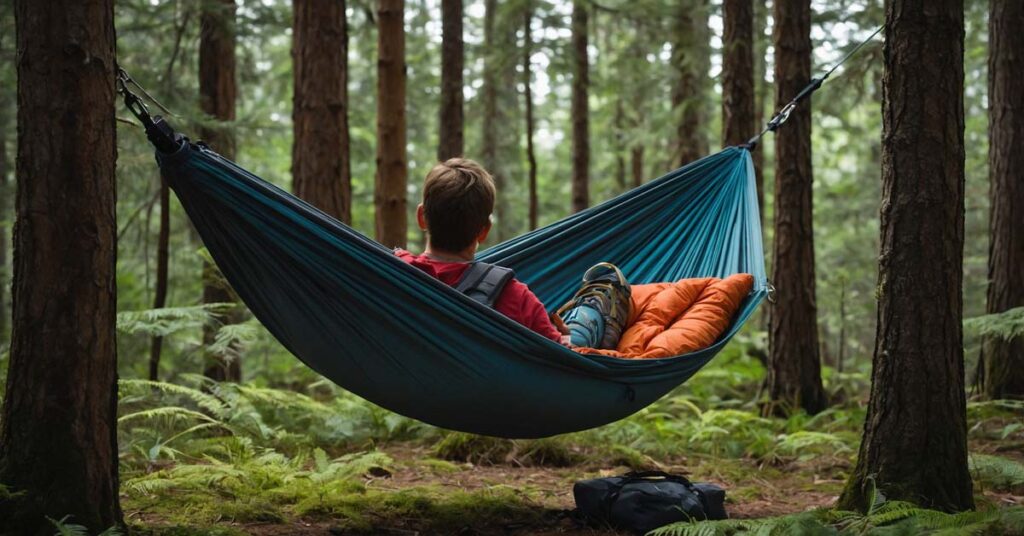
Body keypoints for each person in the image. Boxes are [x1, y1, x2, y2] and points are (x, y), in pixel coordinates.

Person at [396, 158, 631, 349]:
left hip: (416, 379)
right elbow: (560, 357)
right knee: (582, 323)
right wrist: (566, 339)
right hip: (493, 392)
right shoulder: (514, 297)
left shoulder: (395, 274)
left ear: (421, 217)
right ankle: (596, 308)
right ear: (484, 231)